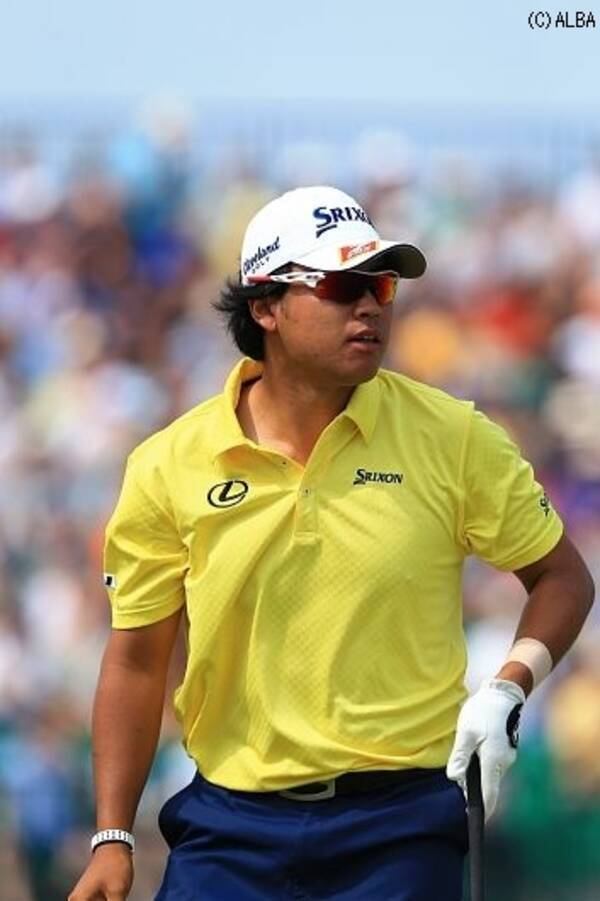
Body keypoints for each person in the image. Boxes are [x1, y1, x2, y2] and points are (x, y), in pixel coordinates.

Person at [69, 185, 594, 901]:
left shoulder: (454, 437)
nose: (371, 306)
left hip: (402, 828)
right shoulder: (168, 465)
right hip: (229, 828)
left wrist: (509, 684)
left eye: (381, 285)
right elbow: (136, 662)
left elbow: (563, 576)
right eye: (343, 286)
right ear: (265, 306)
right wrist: (112, 836)